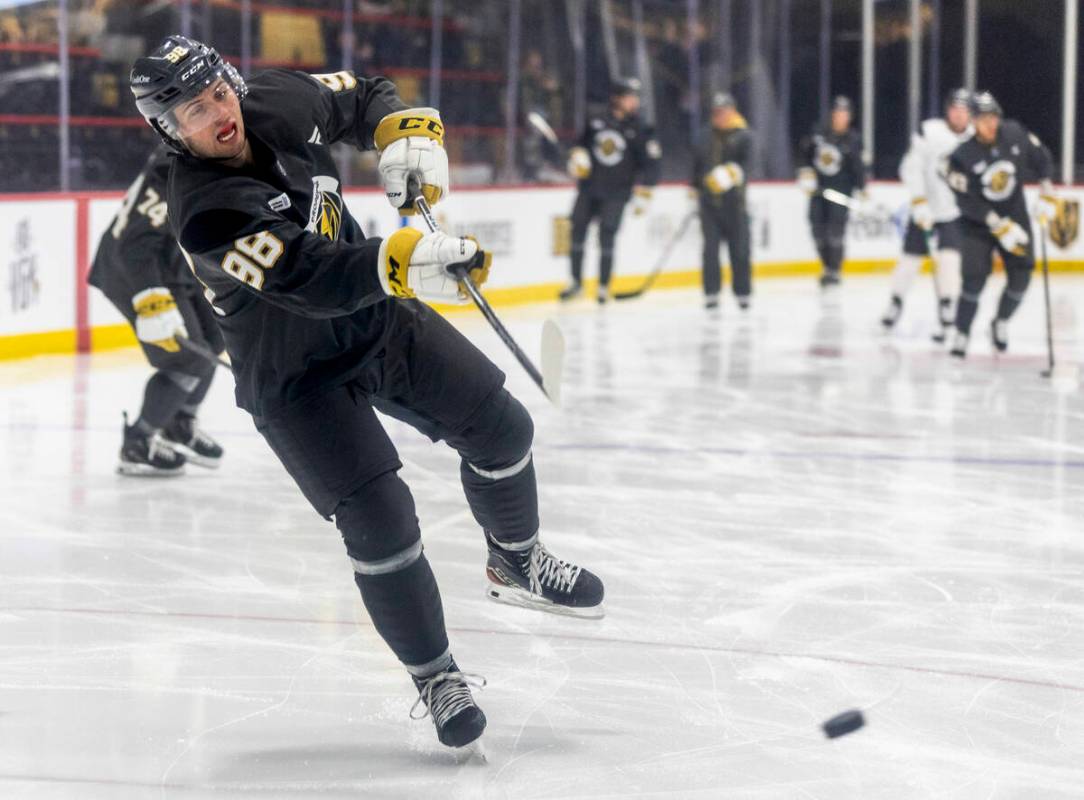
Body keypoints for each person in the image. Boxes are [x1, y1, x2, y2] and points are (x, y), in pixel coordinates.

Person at [129, 35, 603, 749]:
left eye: (220, 90)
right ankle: (436, 675)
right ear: (169, 130)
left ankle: (517, 557)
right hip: (294, 379)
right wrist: (397, 262)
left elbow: (360, 94)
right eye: (195, 110)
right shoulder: (205, 211)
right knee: (383, 522)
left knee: (503, 429)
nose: (220, 111)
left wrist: (397, 131)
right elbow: (309, 277)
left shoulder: (273, 99)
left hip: (375, 320)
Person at [87, 145, 226, 476]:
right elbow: (136, 243)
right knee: (186, 357)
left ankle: (179, 421)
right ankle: (138, 441)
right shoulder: (178, 160)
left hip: (171, 261)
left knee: (216, 335)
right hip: (137, 268)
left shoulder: (211, 147)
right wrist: (151, 301)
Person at [944, 92, 1056, 357]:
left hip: (1015, 215)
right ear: (973, 121)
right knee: (973, 279)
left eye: (993, 117)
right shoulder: (961, 156)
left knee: (1022, 274)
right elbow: (966, 200)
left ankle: (1001, 321)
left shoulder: (1015, 134)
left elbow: (1041, 159)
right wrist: (996, 224)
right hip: (978, 225)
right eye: (983, 119)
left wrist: (1047, 190)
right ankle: (962, 332)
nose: (990, 123)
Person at [881, 90, 973, 340]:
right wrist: (919, 201)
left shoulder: (975, 139)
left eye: (963, 110)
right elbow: (911, 167)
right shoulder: (929, 131)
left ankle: (947, 307)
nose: (958, 114)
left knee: (949, 262)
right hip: (925, 210)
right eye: (954, 108)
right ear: (947, 110)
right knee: (909, 262)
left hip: (954, 213)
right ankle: (896, 302)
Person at [560, 77, 661, 304]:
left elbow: (651, 163)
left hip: (617, 192)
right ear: (616, 98)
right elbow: (580, 146)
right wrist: (576, 156)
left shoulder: (641, 128)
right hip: (589, 188)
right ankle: (576, 282)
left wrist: (646, 191)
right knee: (577, 231)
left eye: (635, 97)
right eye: (629, 97)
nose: (634, 102)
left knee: (607, 235)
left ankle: (604, 286)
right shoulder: (596, 121)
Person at [797, 95, 868, 288]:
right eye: (837, 113)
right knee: (817, 228)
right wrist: (805, 172)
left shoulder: (853, 139)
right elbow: (805, 154)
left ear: (849, 116)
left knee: (835, 231)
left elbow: (858, 166)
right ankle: (826, 266)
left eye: (844, 113)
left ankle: (834, 270)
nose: (840, 117)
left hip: (841, 191)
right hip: (819, 190)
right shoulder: (819, 134)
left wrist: (862, 187)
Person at [692, 91, 753, 310]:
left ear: (733, 111)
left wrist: (732, 174)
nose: (721, 117)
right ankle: (711, 293)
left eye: (725, 112)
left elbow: (749, 164)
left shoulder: (744, 135)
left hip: (735, 204)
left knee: (740, 250)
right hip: (709, 205)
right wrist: (695, 186)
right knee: (710, 250)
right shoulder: (704, 136)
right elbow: (697, 165)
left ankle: (743, 292)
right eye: (717, 113)